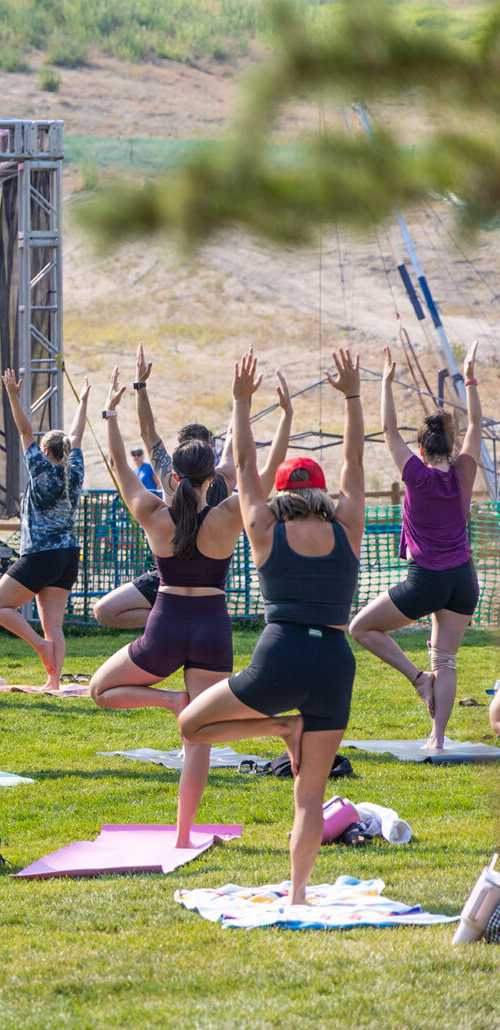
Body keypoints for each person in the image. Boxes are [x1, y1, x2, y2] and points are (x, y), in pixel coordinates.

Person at [179, 347, 366, 906]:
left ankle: (279, 731)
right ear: (320, 492)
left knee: (191, 727)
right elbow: (356, 463)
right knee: (309, 799)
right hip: (335, 660)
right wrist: (354, 397)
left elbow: (240, 464)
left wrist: (241, 402)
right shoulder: (349, 525)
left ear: (283, 492)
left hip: (281, 653)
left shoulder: (263, 525)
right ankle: (300, 896)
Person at [88, 366, 262, 846]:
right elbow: (246, 463)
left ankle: (171, 702)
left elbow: (123, 466)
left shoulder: (154, 515)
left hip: (163, 626)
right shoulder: (229, 514)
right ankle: (184, 836)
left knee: (99, 690)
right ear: (213, 476)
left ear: (172, 475)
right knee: (198, 739)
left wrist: (109, 414)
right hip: (211, 629)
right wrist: (244, 402)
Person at [93, 344, 293, 628]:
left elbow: (144, 437)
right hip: (208, 587)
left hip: (167, 579)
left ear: (177, 467)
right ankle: (179, 616)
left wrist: (138, 388)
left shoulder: (164, 481)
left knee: (105, 612)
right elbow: (243, 451)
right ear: (210, 463)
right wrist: (243, 400)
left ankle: (171, 616)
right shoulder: (225, 483)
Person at [349, 346, 484, 750]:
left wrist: (387, 382)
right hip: (463, 580)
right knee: (446, 660)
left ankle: (417, 679)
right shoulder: (464, 471)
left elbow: (389, 431)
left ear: (422, 450)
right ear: (453, 447)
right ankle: (437, 740)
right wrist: (470, 378)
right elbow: (476, 423)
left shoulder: (416, 475)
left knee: (360, 628)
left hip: (426, 580)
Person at [0, 370, 91, 690]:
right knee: (53, 624)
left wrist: (13, 396)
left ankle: (39, 646)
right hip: (68, 555)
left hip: (42, 554)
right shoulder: (75, 470)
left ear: (46, 453)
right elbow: (76, 434)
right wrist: (83, 401)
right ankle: (54, 682)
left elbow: (24, 429)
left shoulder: (42, 467)